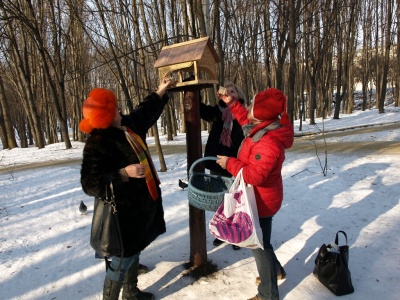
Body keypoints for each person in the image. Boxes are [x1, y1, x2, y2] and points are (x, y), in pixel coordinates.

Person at [79, 78, 175, 300]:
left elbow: (145, 111)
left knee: (136, 249)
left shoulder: (127, 126)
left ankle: (130, 292)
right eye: (115, 108)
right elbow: (90, 184)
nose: (120, 109)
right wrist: (123, 173)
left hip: (141, 210)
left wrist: (161, 91)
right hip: (122, 217)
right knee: (122, 260)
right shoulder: (98, 143)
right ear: (105, 116)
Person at [216, 88, 294, 300]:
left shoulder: (268, 142)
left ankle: (268, 294)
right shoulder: (263, 128)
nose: (248, 107)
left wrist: (229, 162)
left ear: (260, 113)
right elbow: (244, 120)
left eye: (252, 105)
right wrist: (232, 102)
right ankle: (275, 271)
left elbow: (254, 176)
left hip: (261, 202)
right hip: (257, 199)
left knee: (259, 245)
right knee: (262, 242)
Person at [199, 82, 246, 251]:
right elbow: (200, 109)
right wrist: (195, 90)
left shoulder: (244, 115)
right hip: (218, 163)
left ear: (239, 95)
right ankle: (223, 232)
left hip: (235, 164)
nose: (229, 93)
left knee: (235, 200)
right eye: (227, 91)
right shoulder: (217, 113)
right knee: (220, 200)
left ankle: (235, 234)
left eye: (233, 91)